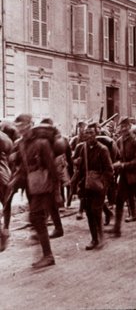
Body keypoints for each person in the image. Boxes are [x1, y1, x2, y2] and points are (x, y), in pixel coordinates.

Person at [12, 114, 59, 268]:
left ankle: (48, 256)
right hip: (33, 186)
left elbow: (52, 167)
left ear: (30, 125)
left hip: (45, 186)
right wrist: (15, 180)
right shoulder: (22, 144)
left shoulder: (42, 143)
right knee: (35, 219)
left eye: (23, 126)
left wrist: (57, 192)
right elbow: (24, 168)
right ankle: (46, 254)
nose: (20, 129)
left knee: (36, 217)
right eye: (18, 127)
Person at [107, 117, 136, 236]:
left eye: (125, 126)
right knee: (119, 200)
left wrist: (122, 165)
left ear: (130, 127)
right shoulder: (119, 141)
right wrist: (117, 164)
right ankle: (117, 228)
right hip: (125, 176)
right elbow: (120, 157)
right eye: (121, 126)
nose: (123, 128)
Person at [75, 123, 113, 250]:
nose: (89, 135)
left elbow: (109, 170)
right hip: (87, 185)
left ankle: (101, 237)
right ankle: (94, 239)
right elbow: (80, 168)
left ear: (96, 134)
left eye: (91, 133)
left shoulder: (102, 150)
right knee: (89, 213)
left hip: (99, 186)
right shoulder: (83, 148)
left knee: (96, 210)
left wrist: (103, 184)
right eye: (87, 133)